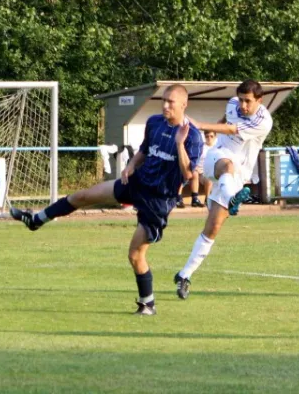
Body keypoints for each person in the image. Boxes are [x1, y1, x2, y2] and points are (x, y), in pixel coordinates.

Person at [10, 84, 203, 315]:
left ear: (184, 104)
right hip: (137, 183)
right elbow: (144, 151)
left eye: (171, 102)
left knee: (135, 255)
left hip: (158, 200)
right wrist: (131, 166)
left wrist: (180, 143)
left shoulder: (192, 136)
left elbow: (188, 174)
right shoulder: (154, 122)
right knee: (82, 196)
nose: (165, 105)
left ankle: (148, 304)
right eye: (164, 100)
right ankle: (36, 219)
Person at [173, 79, 273, 299]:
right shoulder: (232, 104)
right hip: (216, 159)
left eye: (248, 101)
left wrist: (201, 125)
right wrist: (212, 132)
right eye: (241, 100)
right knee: (226, 165)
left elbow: (231, 127)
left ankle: (183, 275)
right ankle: (233, 198)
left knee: (212, 229)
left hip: (238, 175)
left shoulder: (264, 121)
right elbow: (227, 119)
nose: (243, 106)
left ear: (260, 100)